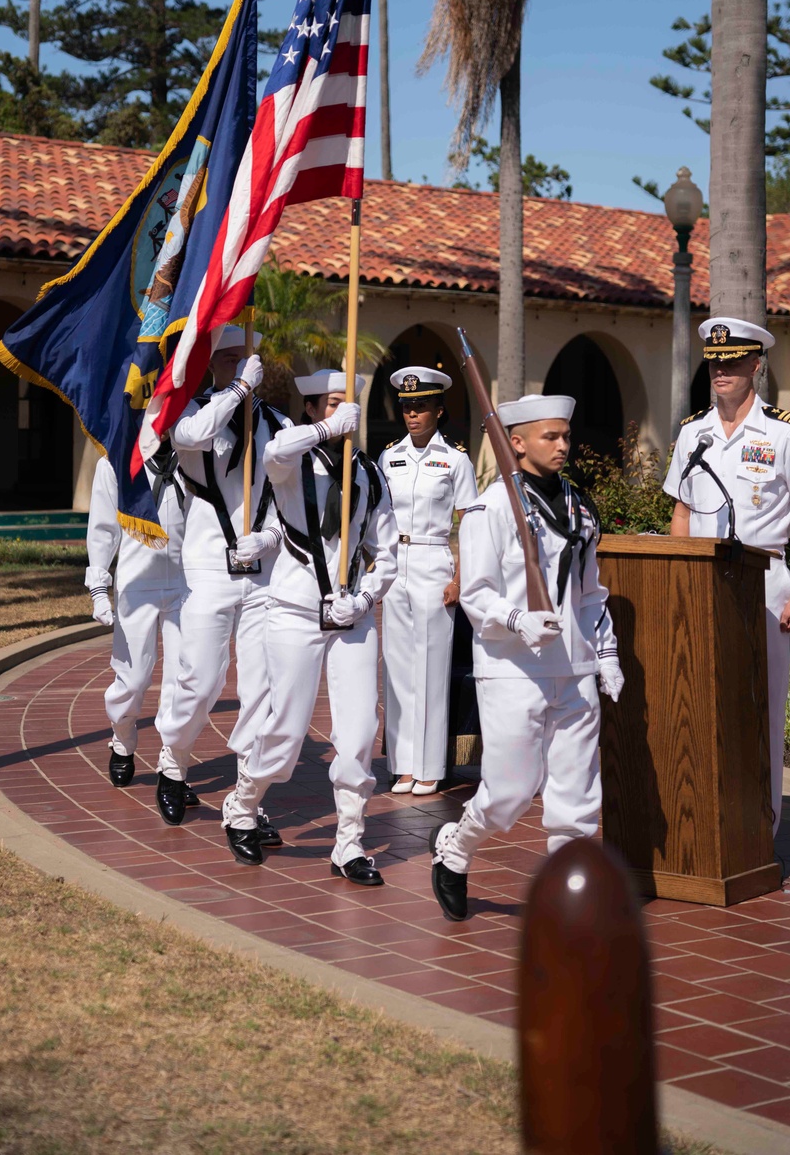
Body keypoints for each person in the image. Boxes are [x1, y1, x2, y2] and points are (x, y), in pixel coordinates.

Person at [429, 394, 623, 922]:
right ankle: (456, 846)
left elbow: (589, 593)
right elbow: (477, 592)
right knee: (510, 792)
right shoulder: (489, 509)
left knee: (578, 796)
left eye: (566, 436)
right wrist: (518, 620)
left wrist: (604, 653)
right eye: (550, 437)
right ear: (516, 442)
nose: (563, 446)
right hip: (513, 667)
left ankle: (570, 894)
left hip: (573, 666)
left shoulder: (581, 507)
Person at [219, 368, 399, 882]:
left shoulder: (370, 473)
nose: (345, 412)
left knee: (360, 730)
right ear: (314, 409)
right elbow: (274, 450)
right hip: (295, 610)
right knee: (287, 730)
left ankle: (348, 841)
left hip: (351, 617)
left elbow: (385, 554)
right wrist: (327, 430)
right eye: (332, 403)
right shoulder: (294, 463)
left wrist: (364, 598)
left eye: (350, 405)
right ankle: (243, 805)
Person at [663, 316, 790, 832]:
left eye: (732, 362)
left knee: (762, 707)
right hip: (703, 583)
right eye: (715, 363)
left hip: (765, 581)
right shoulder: (694, 433)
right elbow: (683, 511)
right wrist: (677, 581)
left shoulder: (784, 430)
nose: (722, 371)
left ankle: (762, 827)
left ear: (755, 366)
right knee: (700, 702)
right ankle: (707, 821)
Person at [154, 325, 291, 835]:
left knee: (260, 686)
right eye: (228, 358)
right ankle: (174, 760)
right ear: (211, 364)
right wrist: (236, 392)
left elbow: (287, 500)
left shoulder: (274, 422)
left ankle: (247, 796)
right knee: (202, 678)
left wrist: (271, 539)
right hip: (209, 567)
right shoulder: (192, 412)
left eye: (244, 357)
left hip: (260, 574)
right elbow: (190, 437)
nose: (239, 364)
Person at [378, 366, 478, 795]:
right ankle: (402, 763)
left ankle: (431, 764)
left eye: (421, 407)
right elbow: (379, 517)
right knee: (398, 668)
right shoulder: (389, 456)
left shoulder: (455, 460)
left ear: (440, 409)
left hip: (435, 559)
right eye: (406, 407)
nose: (412, 415)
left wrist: (461, 575)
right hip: (395, 561)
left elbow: (469, 523)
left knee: (433, 668)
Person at [85, 443, 190, 797]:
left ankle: (173, 765)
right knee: (132, 679)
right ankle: (122, 738)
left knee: (182, 680)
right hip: (136, 585)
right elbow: (102, 527)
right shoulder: (115, 463)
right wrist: (99, 586)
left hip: (186, 584)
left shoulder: (195, 458)